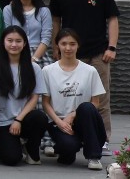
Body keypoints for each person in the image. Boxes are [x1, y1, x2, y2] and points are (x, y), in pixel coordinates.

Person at [48, 0, 117, 137]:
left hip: (98, 53)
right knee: (70, 97)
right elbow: (56, 21)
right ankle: (73, 135)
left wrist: (112, 47)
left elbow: (112, 19)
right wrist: (55, 47)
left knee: (101, 98)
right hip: (70, 54)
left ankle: (103, 138)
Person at [40, 29, 107, 170]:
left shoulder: (90, 71)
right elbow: (45, 103)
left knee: (87, 107)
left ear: (78, 46)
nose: (68, 48)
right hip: (60, 122)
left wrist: (72, 115)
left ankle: (94, 157)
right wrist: (59, 122)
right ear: (57, 45)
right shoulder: (48, 71)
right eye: (63, 43)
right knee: (67, 151)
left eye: (72, 44)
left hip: (84, 120)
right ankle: (65, 149)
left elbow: (95, 102)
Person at [0, 25, 46, 167]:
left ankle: (31, 149)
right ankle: (8, 145)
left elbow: (34, 98)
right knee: (11, 159)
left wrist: (18, 120)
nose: (14, 44)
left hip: (24, 118)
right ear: (3, 42)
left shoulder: (34, 68)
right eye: (10, 40)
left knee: (39, 117)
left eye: (18, 41)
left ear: (24, 43)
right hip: (3, 121)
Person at [3, 0, 52, 64]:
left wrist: (34, 59)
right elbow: (7, 35)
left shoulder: (44, 11)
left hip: (39, 54)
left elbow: (46, 38)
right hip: (15, 52)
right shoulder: (8, 10)